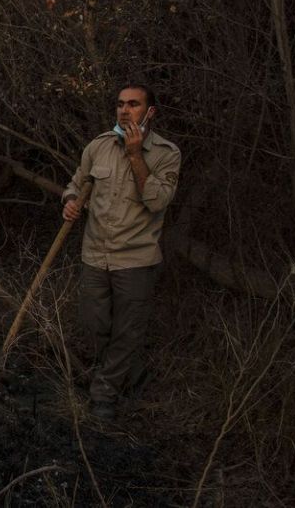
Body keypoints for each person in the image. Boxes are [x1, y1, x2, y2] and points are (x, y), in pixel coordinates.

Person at [62, 84, 180, 419]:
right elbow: (77, 182)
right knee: (94, 323)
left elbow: (157, 200)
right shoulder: (98, 146)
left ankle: (104, 395)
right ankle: (133, 373)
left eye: (133, 104)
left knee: (127, 331)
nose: (125, 110)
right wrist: (70, 202)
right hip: (95, 254)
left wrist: (134, 154)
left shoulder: (166, 153)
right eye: (120, 104)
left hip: (135, 258)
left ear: (150, 112)